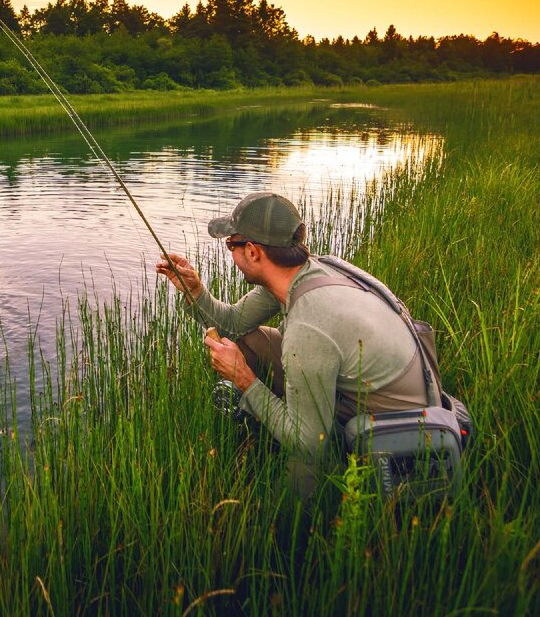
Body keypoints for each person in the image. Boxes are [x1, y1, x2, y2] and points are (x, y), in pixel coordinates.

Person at [155, 192, 429, 492]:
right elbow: (232, 324)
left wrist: (245, 381)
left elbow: (311, 444)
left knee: (302, 463)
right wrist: (194, 291)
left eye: (231, 244)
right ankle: (276, 420)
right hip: (365, 388)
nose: (230, 253)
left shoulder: (308, 326)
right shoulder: (304, 272)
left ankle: (305, 513)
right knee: (250, 340)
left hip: (388, 424)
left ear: (253, 251)